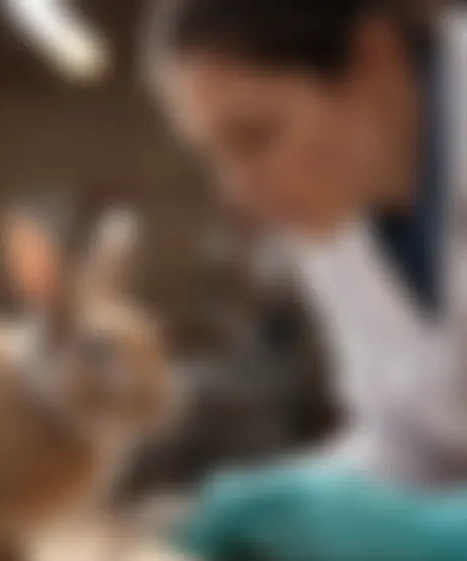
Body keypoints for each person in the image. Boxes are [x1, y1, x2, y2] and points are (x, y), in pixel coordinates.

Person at [144, 0, 467, 486]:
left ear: (372, 57)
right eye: (215, 155)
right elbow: (406, 436)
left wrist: (440, 539)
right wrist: (299, 495)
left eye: (257, 137)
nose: (240, 194)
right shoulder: (339, 202)